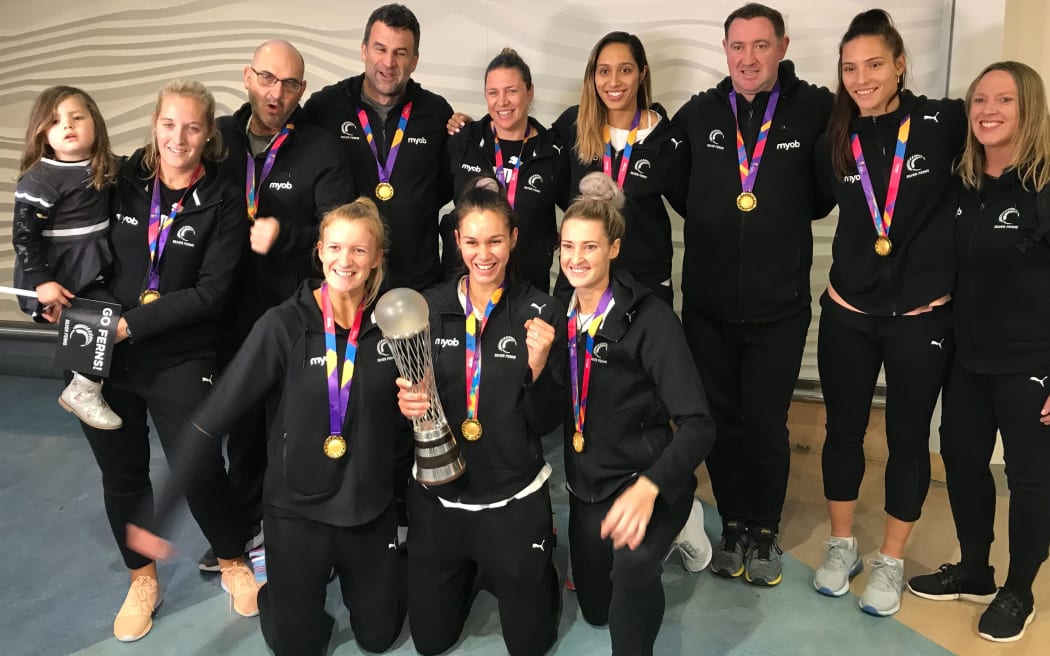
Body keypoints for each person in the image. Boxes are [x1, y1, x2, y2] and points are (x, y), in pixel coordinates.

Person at [130, 199, 408, 655]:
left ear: (377, 257)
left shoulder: (394, 322)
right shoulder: (283, 325)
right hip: (298, 512)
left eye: (360, 250)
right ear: (319, 251)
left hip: (368, 510)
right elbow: (211, 418)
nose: (346, 260)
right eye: (335, 247)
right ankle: (276, 591)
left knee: (379, 638)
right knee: (298, 646)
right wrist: (159, 515)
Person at [65, 79, 257, 642]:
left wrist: (132, 323)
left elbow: (212, 292)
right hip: (106, 353)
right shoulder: (120, 179)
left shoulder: (222, 196)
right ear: (155, 123)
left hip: (179, 352)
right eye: (170, 124)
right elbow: (73, 238)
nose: (179, 137)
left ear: (208, 134)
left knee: (198, 464)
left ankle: (231, 560)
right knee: (122, 474)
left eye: (193, 126)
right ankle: (142, 578)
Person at [670, 3, 834, 585]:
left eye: (761, 45)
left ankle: (764, 529)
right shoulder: (698, 113)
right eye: (738, 46)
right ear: (725, 51)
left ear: (782, 47)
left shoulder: (816, 108)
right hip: (708, 308)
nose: (748, 58)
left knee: (765, 424)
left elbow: (824, 194)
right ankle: (733, 522)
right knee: (719, 420)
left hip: (778, 309)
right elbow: (671, 182)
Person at [812, 10, 965, 616]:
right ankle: (841, 544)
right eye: (850, 67)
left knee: (906, 439)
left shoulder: (942, 122)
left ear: (900, 63)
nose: (861, 77)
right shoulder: (835, 130)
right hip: (848, 309)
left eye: (874, 64)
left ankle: (891, 558)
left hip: (921, 316)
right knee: (842, 430)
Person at [906, 61, 1050, 643]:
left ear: (1029, 110)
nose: (988, 111)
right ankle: (975, 570)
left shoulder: (1043, 185)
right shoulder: (962, 182)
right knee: (962, 460)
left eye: (1004, 101)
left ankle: (1019, 590)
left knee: (1031, 479)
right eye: (980, 100)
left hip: (1031, 364)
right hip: (967, 358)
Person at [199, 39, 355, 573]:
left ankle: (293, 527)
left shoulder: (321, 147)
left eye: (289, 84)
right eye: (267, 78)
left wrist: (285, 233)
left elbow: (340, 232)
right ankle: (241, 529)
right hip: (221, 312)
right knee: (239, 429)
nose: (277, 92)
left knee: (290, 425)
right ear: (247, 76)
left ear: (302, 90)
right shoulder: (217, 138)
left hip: (291, 314)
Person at [396, 178, 565, 656]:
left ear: (514, 239)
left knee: (530, 646)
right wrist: (406, 404)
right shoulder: (427, 308)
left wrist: (536, 372)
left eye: (495, 240)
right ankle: (470, 567)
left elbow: (547, 421)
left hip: (510, 497)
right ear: (457, 242)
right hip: (440, 497)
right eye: (472, 241)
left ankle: (532, 568)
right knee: (430, 643)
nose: (483, 254)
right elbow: (413, 400)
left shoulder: (541, 311)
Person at [559, 172, 714, 655]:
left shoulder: (651, 319)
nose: (576, 259)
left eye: (590, 247)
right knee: (596, 609)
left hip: (642, 478)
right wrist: (537, 367)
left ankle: (681, 520)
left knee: (631, 573)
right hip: (588, 484)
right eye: (568, 247)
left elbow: (699, 425)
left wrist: (650, 487)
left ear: (614, 249)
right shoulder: (555, 314)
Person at [303, 3, 453, 292]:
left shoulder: (436, 113)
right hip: (346, 282)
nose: (388, 62)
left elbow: (446, 186)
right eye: (380, 49)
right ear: (364, 50)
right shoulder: (325, 108)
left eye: (400, 53)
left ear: (415, 60)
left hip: (417, 284)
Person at [551, 31, 689, 307]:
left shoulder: (667, 138)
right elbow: (534, 165)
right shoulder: (573, 126)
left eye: (625, 70)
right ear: (593, 76)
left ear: (642, 73)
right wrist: (468, 127)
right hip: (581, 277)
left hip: (643, 280)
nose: (613, 82)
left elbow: (694, 206)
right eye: (604, 71)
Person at [12, 86, 122, 430]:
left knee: (109, 315)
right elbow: (25, 237)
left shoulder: (107, 167)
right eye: (56, 120)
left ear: (95, 124)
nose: (68, 125)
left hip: (93, 264)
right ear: (43, 133)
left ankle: (85, 384)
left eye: (78, 117)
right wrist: (41, 282)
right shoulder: (41, 179)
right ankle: (83, 389)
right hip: (59, 273)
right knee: (101, 316)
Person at [443, 47, 566, 293]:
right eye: (493, 93)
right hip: (466, 283)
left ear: (529, 92)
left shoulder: (552, 150)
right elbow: (428, 196)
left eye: (512, 91)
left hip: (528, 286)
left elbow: (577, 210)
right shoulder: (464, 141)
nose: (502, 102)